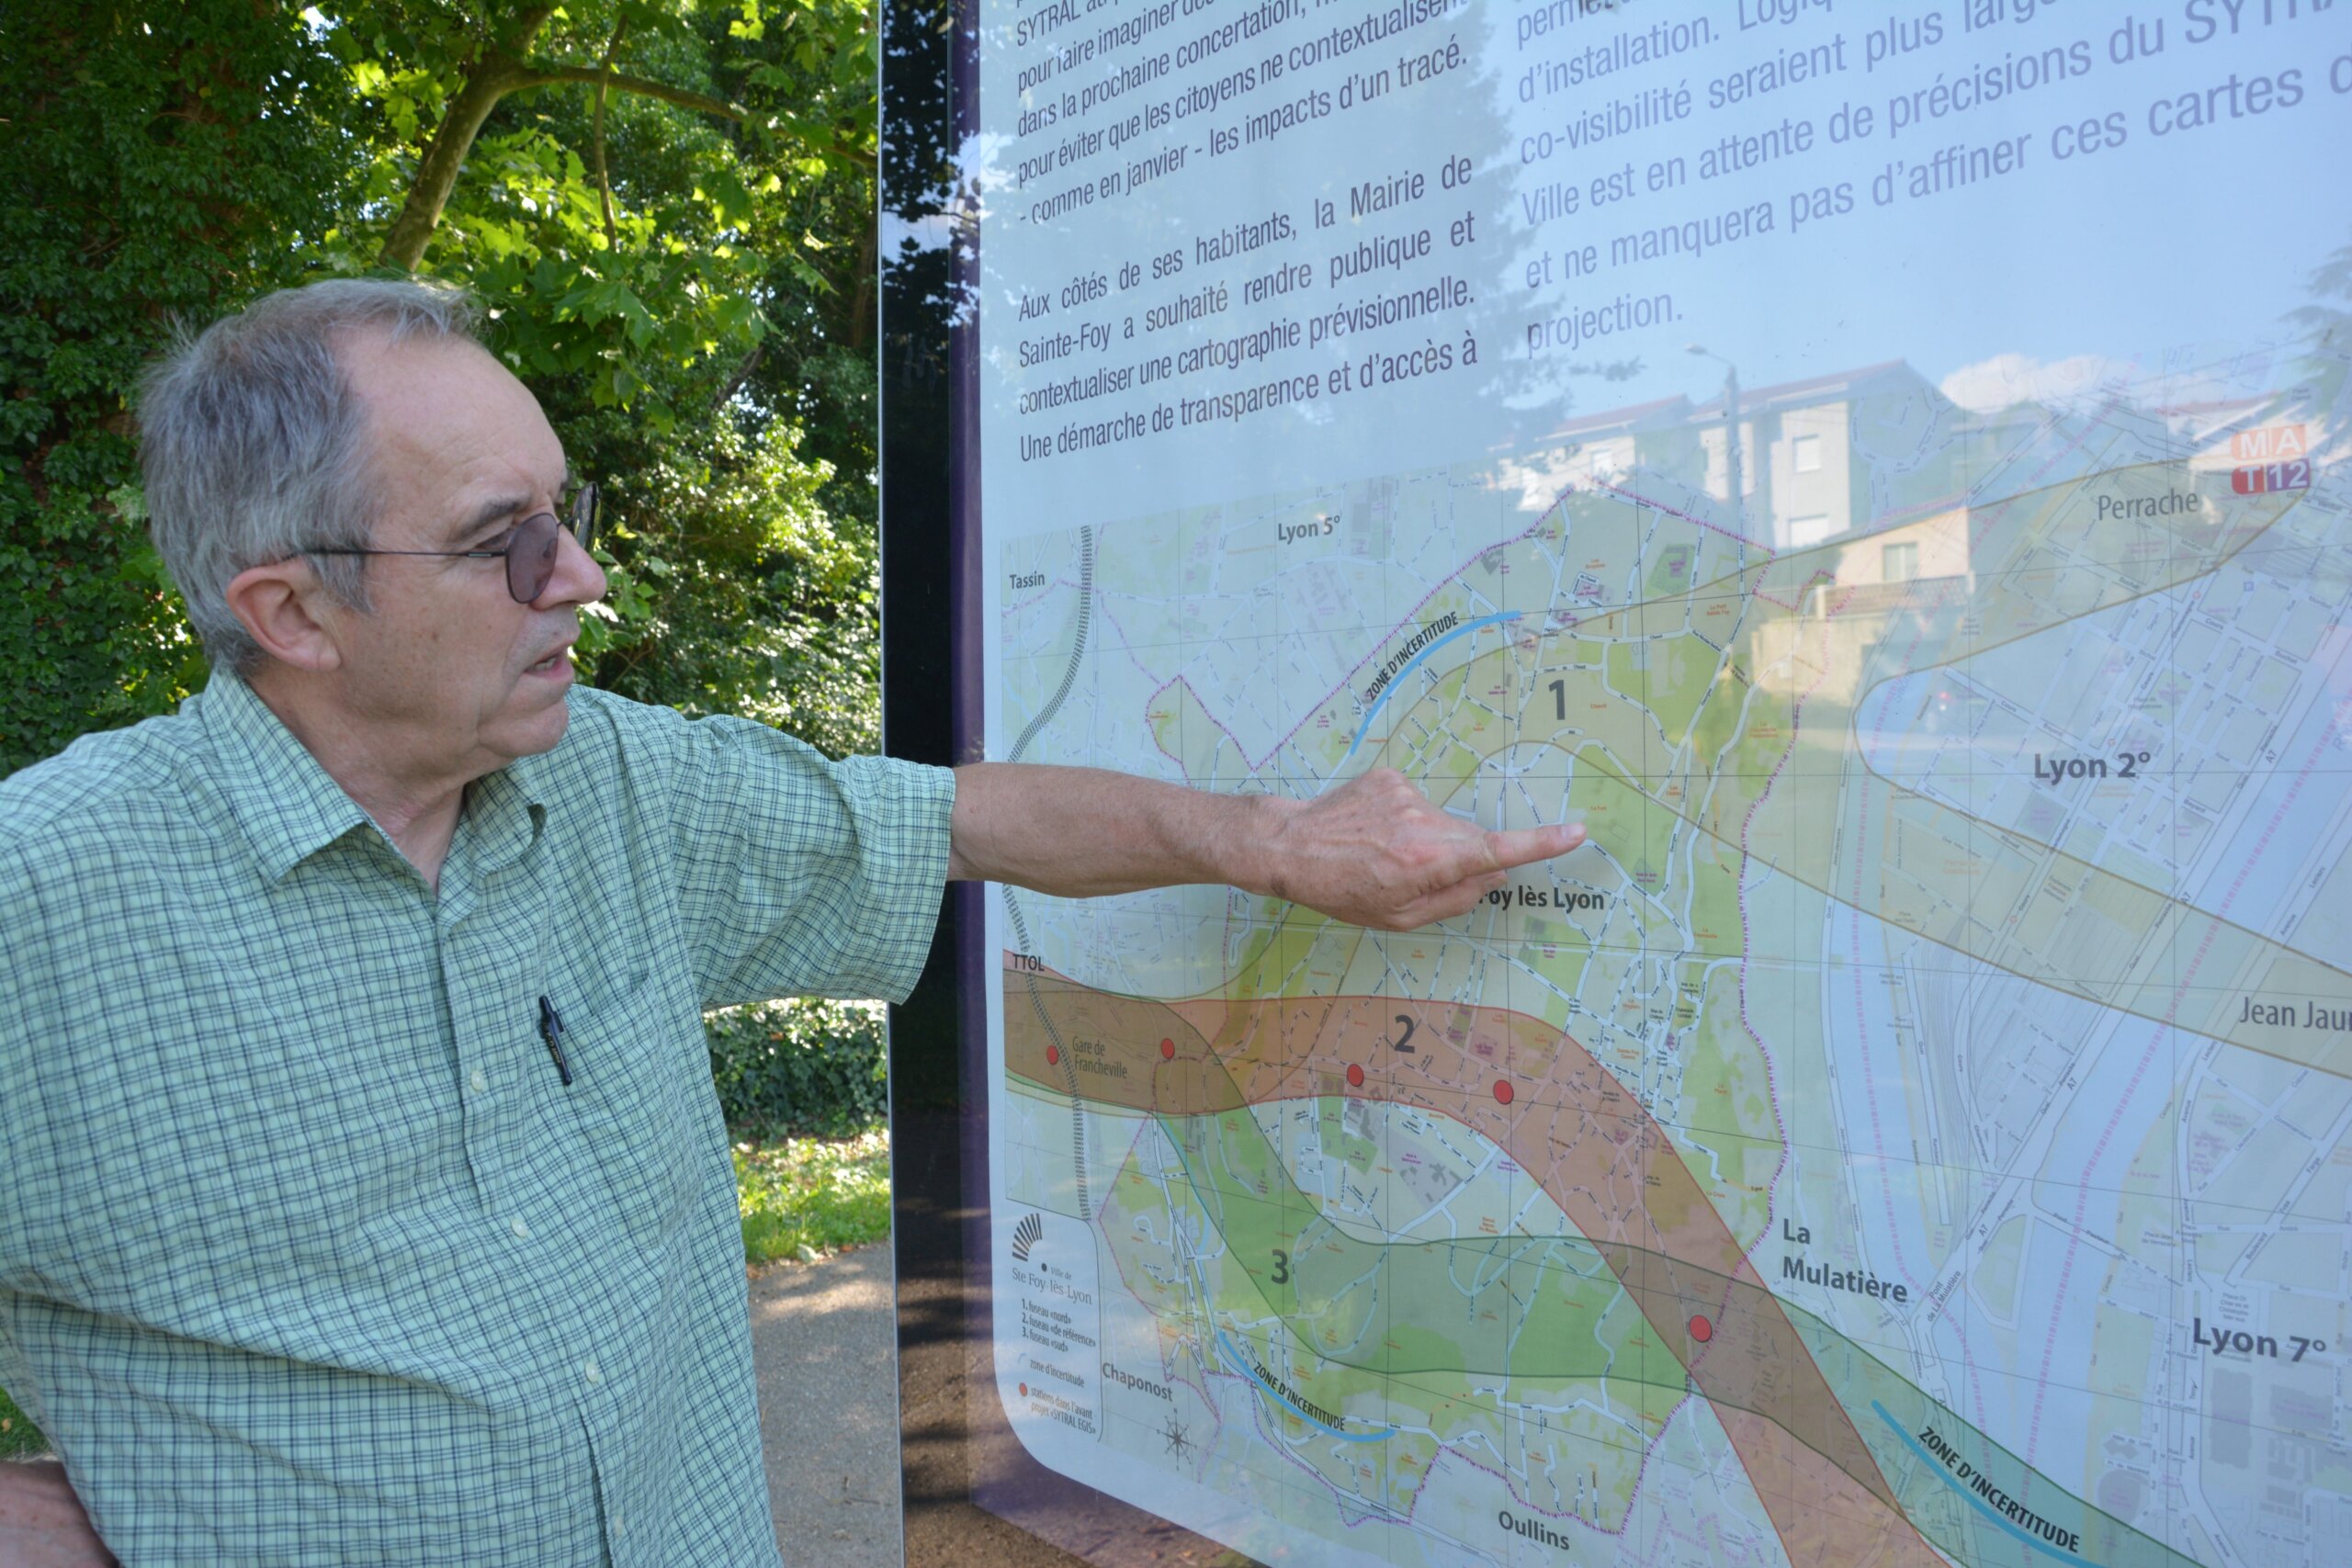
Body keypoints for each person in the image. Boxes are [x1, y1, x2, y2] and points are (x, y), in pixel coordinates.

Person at [0, 278, 1583, 1565]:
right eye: (507, 543)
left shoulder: (618, 787)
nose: (587, 577)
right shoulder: (47, 898)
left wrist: (1275, 841)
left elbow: (957, 817)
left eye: (570, 510)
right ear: (292, 611)